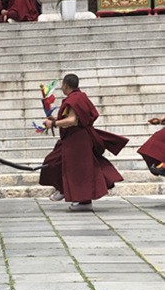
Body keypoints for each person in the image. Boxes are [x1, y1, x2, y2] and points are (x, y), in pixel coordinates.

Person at [39, 73, 127, 211]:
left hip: (77, 140)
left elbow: (72, 120)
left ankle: (75, 197)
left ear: (65, 85)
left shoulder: (74, 100)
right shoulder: (80, 97)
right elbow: (73, 117)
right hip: (74, 139)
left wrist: (53, 123)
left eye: (62, 85)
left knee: (78, 169)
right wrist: (54, 118)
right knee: (57, 162)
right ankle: (68, 192)